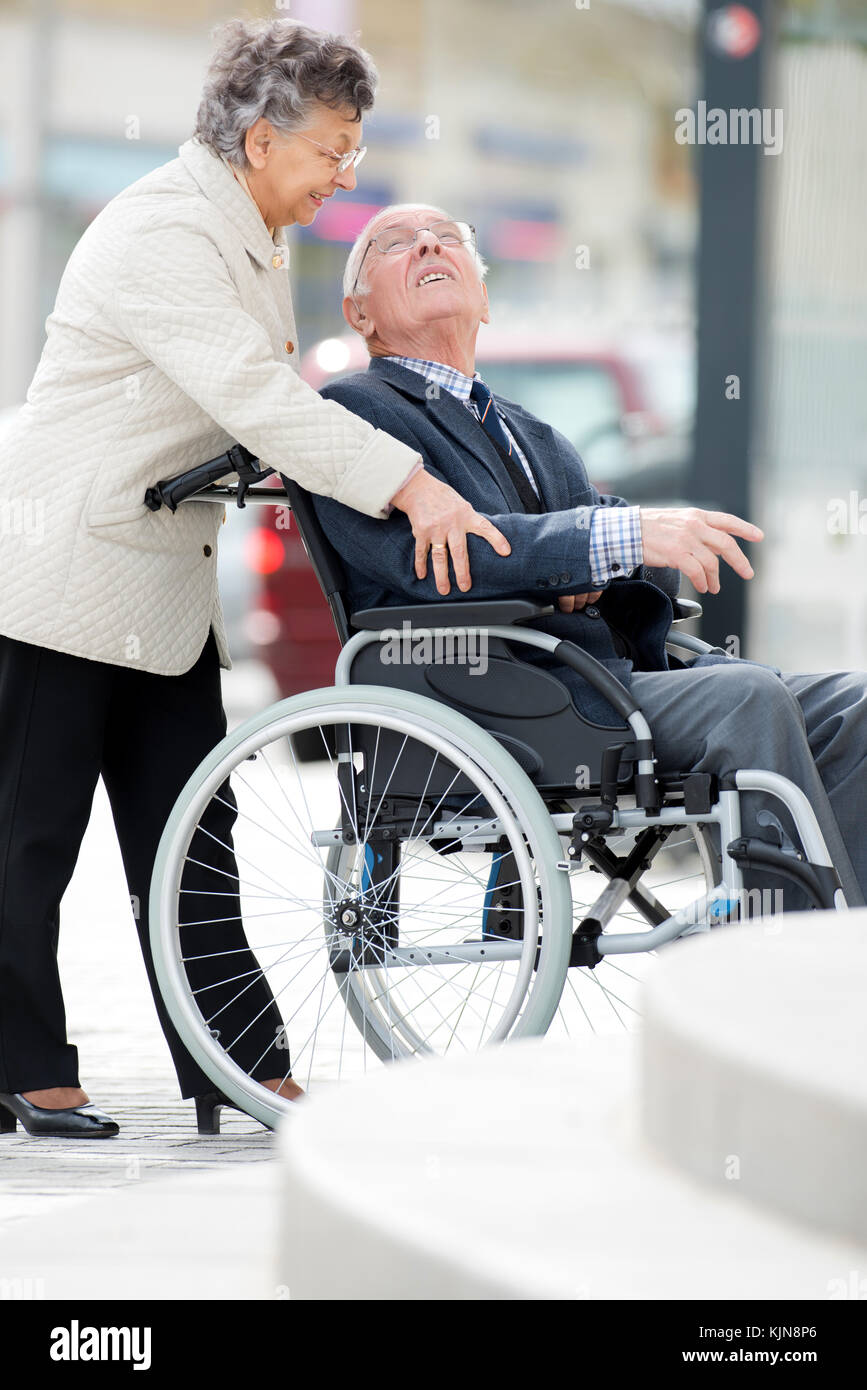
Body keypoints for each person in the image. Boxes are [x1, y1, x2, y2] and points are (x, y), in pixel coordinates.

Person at [0, 24, 509, 1140]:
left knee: (194, 832)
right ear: (260, 137)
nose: (345, 173)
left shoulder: (245, 234)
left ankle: (238, 1063)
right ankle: (23, 1065)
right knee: (29, 838)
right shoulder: (165, 228)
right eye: (331, 149)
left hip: (154, 583)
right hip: (65, 573)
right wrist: (411, 485)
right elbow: (254, 395)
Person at [309, 201, 867, 919]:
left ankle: (839, 925)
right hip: (501, 689)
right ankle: (782, 950)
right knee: (748, 701)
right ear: (359, 314)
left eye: (448, 238)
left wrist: (602, 561)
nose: (426, 244)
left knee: (852, 706)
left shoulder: (524, 428)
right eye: (394, 243)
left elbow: (609, 538)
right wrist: (596, 550)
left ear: (483, 299)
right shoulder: (357, 413)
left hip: (592, 676)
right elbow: (443, 564)